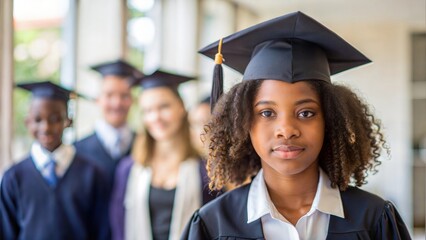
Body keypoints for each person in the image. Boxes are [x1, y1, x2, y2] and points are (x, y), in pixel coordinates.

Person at [181, 11, 411, 240]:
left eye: (306, 112)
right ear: (243, 124)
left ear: (329, 122)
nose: (287, 129)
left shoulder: (373, 219)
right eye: (267, 112)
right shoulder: (213, 224)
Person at [109, 69, 220, 240]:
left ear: (182, 107)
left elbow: (215, 227)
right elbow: (118, 227)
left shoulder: (205, 170)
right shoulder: (129, 169)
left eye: (164, 107)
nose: (156, 117)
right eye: (148, 110)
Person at [0, 81, 109, 240]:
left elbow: (102, 231)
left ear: (68, 121)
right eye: (37, 120)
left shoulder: (92, 174)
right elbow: (6, 232)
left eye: (55, 119)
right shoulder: (14, 178)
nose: (46, 127)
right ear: (27, 122)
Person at [74, 59, 143, 190]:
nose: (117, 103)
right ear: (97, 99)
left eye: (124, 96)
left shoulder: (145, 144)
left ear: (133, 100)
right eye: (109, 95)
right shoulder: (77, 150)